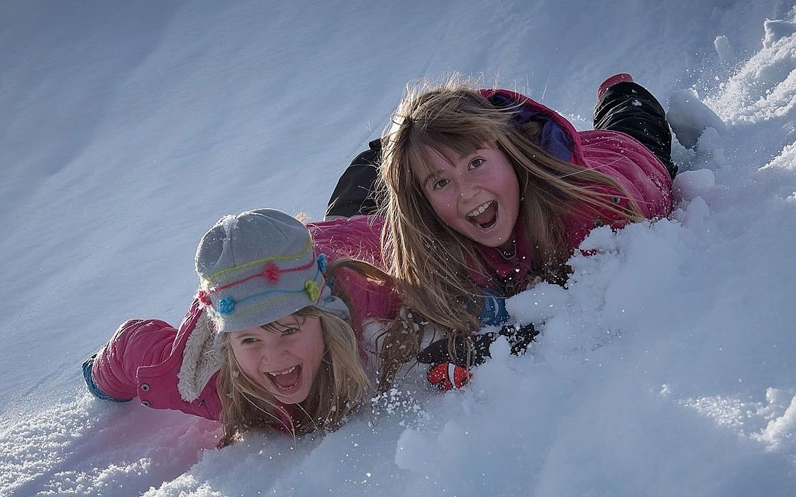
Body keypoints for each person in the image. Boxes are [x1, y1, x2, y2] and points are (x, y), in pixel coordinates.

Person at [329, 74, 677, 388]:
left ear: (509, 153)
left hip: (624, 155)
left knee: (633, 122)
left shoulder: (587, 212)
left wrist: (510, 340)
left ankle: (619, 90)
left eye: (476, 163)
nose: (467, 192)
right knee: (367, 187)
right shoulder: (433, 233)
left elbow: (595, 310)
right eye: (441, 182)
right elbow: (352, 244)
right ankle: (396, 154)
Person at [82, 209, 400, 443]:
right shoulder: (201, 379)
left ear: (324, 318)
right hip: (257, 279)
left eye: (289, 329)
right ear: (227, 344)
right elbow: (130, 348)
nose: (274, 357)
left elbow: (412, 253)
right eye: (249, 340)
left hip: (353, 236)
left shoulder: (361, 297)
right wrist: (99, 379)